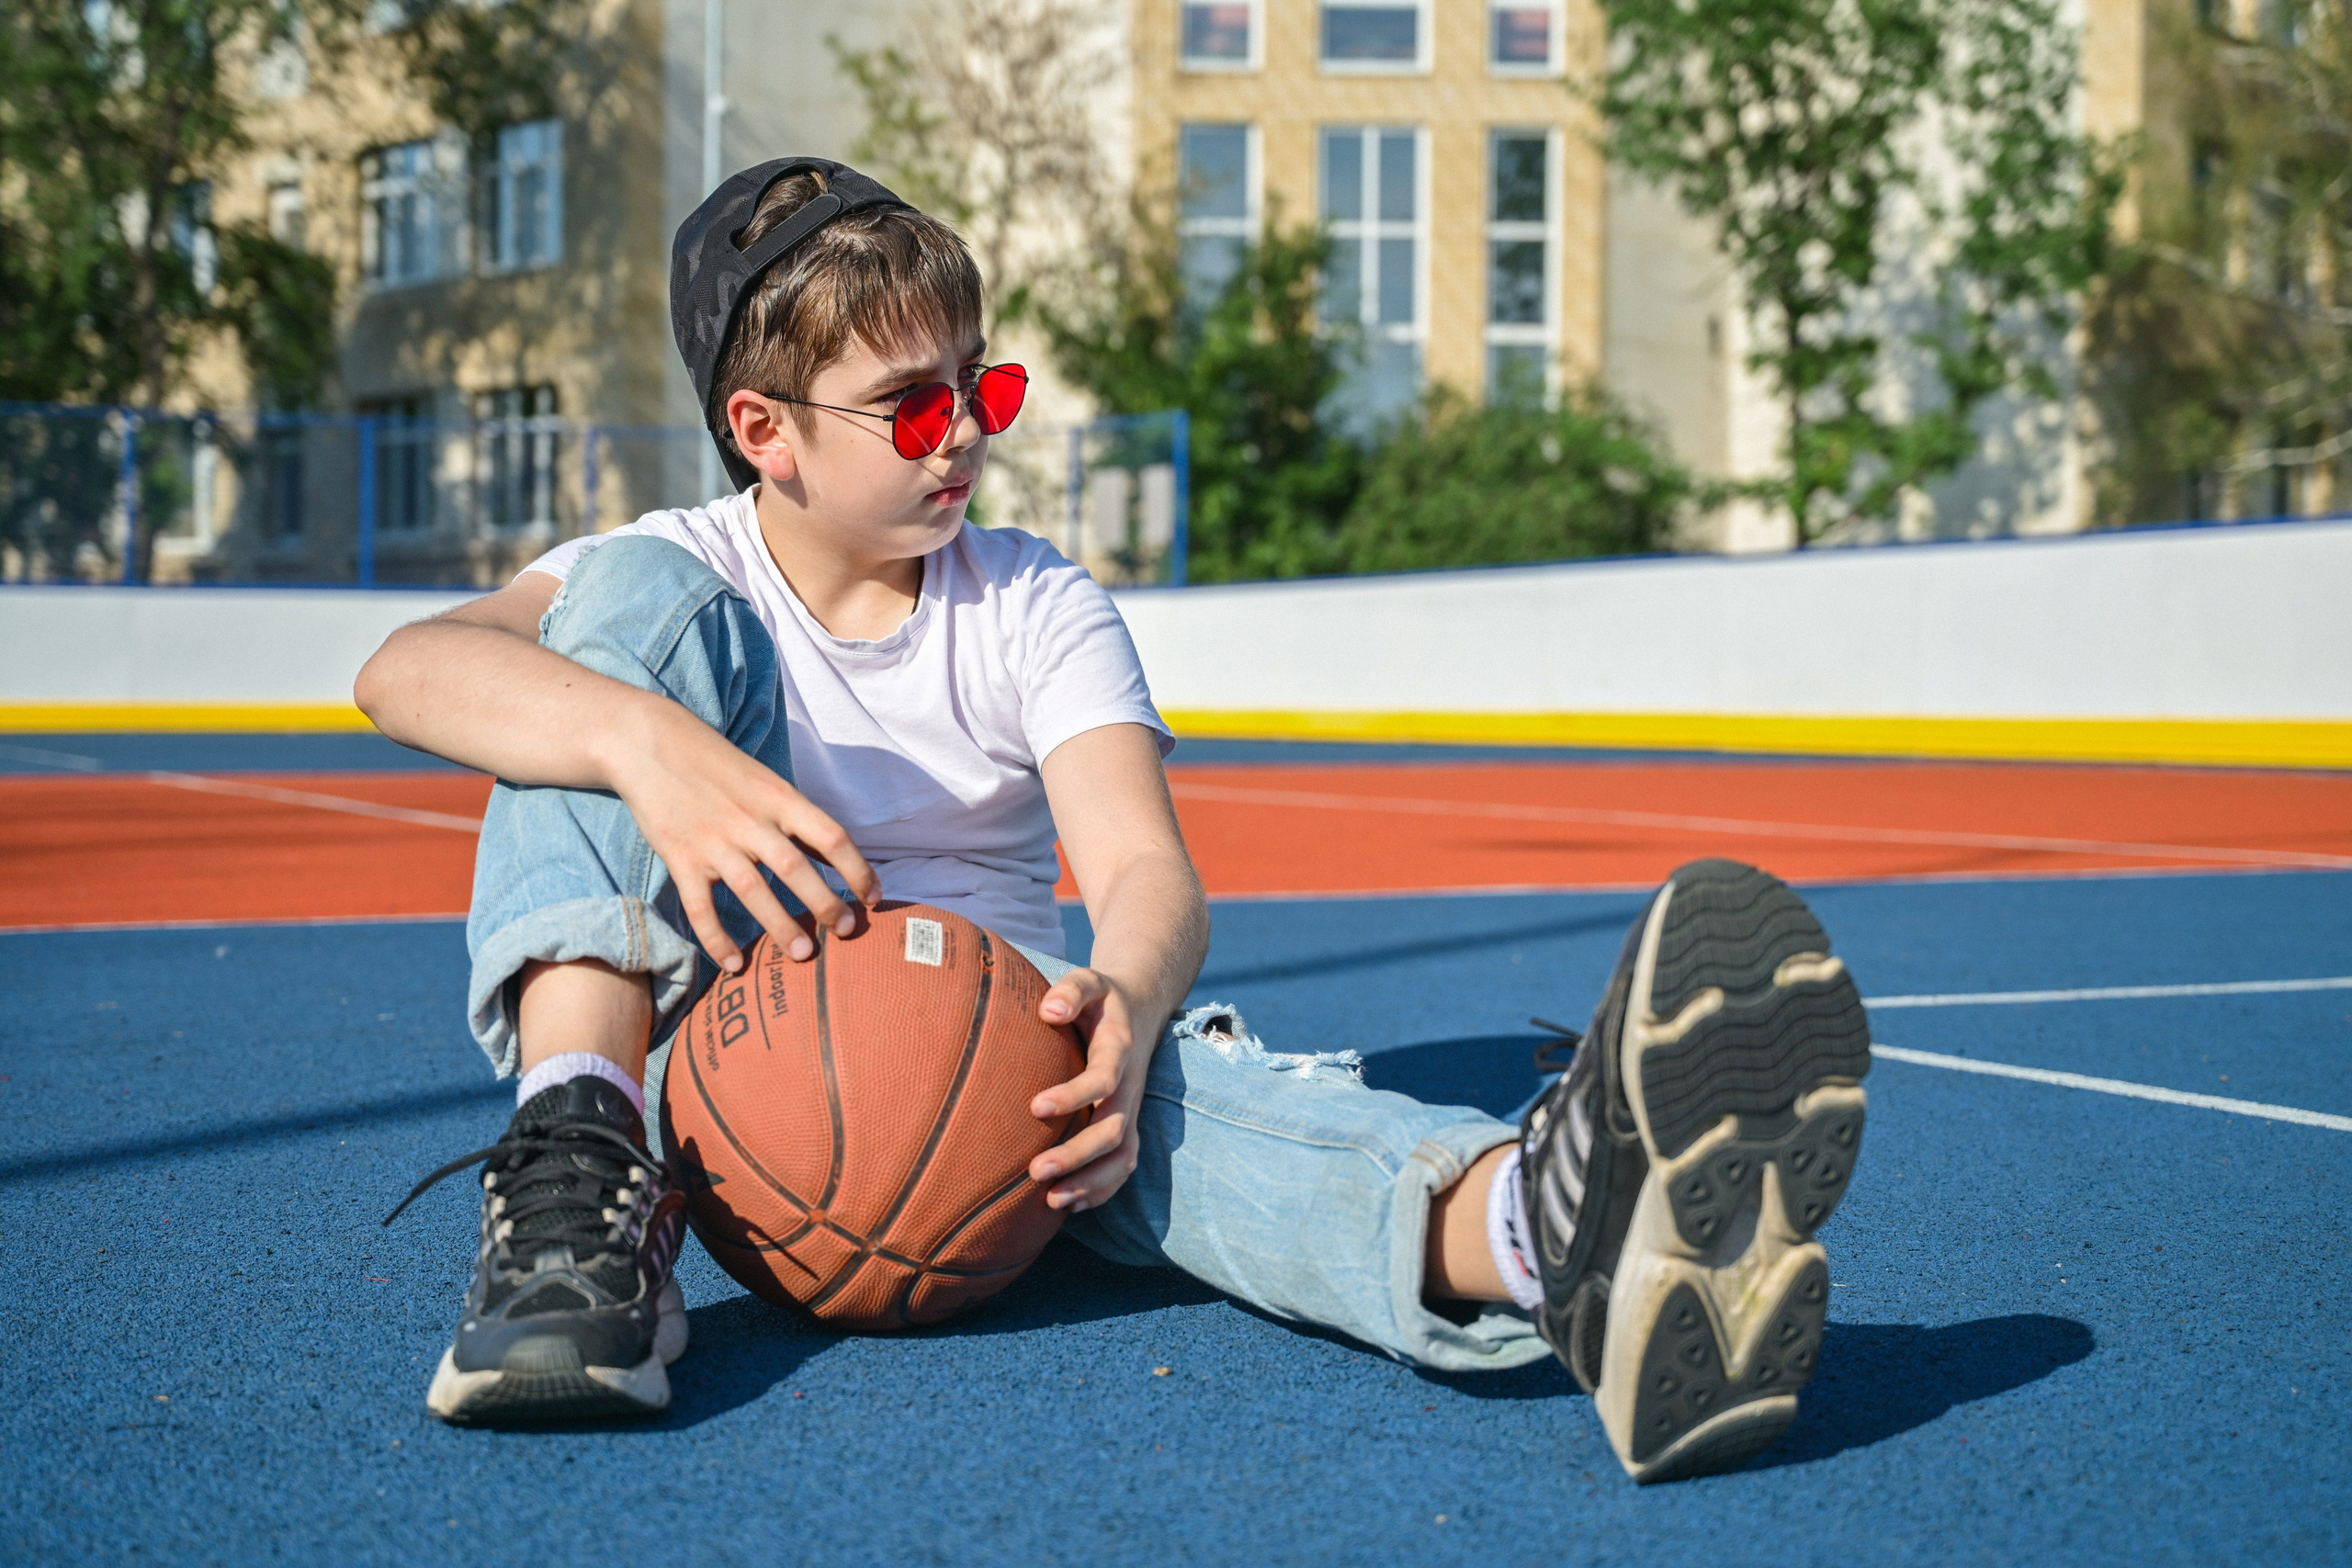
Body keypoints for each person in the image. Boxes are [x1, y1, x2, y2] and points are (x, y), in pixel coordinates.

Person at [356, 159, 1871, 1483]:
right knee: (594, 648)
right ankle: (577, 1184)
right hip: (735, 1099)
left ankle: (1560, 1237)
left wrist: (1129, 1007)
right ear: (765, 429)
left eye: (983, 387)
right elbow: (403, 670)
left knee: (1195, 1108)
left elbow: (1146, 868)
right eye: (912, 404)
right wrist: (647, 747)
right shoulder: (674, 570)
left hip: (1001, 1104)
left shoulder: (1030, 598)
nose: (963, 431)